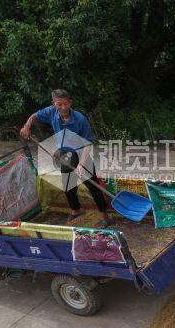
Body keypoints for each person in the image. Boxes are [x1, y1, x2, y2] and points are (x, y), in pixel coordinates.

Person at [20, 89, 110, 228]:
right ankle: (76, 209)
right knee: (68, 187)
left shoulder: (80, 119)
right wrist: (27, 126)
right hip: (64, 155)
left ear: (70, 103)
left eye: (65, 104)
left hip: (82, 154)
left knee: (93, 187)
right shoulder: (51, 112)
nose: (63, 108)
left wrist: (80, 164)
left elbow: (87, 143)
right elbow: (34, 116)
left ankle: (105, 216)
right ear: (53, 103)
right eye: (59, 104)